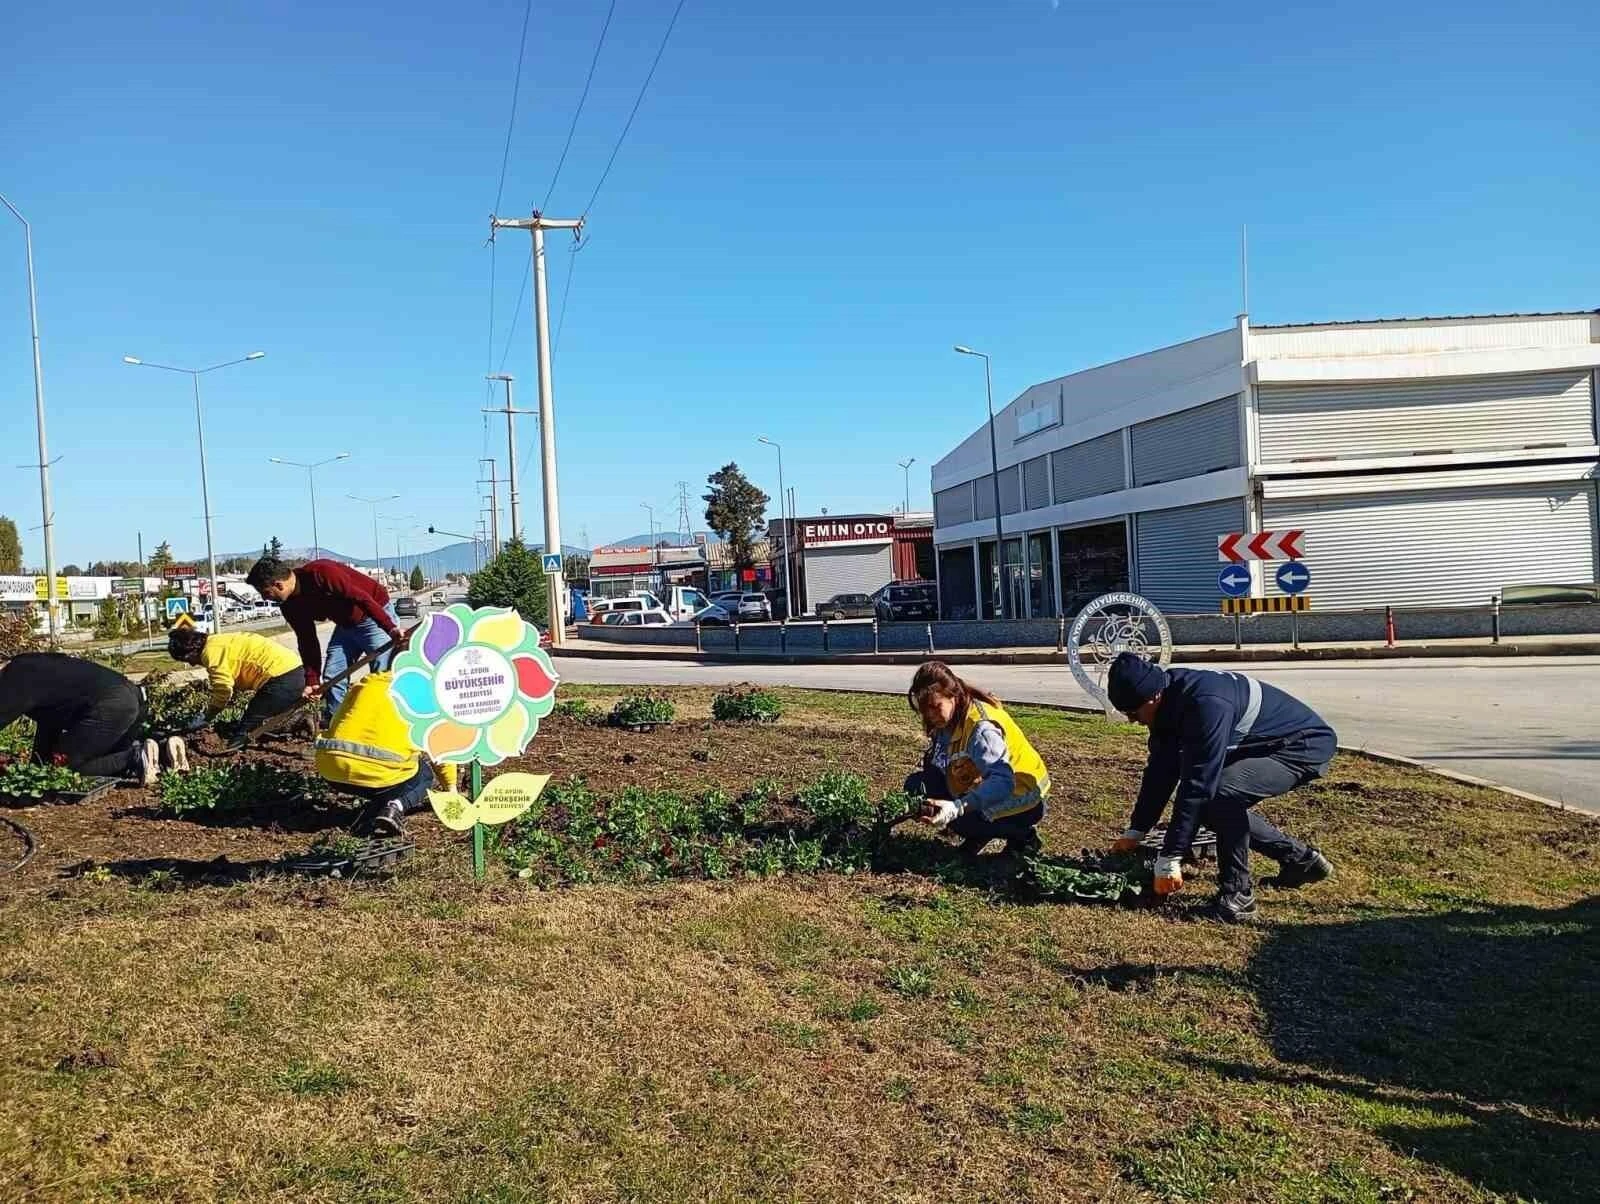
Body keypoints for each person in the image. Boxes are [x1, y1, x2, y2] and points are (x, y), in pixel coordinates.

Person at [1106, 652, 1336, 923]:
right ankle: (1301, 861)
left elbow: (1197, 785)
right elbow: (1161, 771)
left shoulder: (1206, 705)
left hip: (1301, 747)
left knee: (1218, 795)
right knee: (1210, 804)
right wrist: (1137, 830)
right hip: (1267, 744)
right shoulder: (1166, 702)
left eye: (1132, 712)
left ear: (1153, 697)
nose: (1132, 720)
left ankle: (1238, 898)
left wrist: (1170, 858)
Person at [903, 660, 1051, 858]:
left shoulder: (981, 729)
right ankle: (979, 831)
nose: (930, 715)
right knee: (917, 786)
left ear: (952, 696)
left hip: (1023, 796)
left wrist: (956, 808)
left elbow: (1003, 782)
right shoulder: (950, 718)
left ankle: (1023, 836)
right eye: (924, 710)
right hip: (991, 784)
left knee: (963, 821)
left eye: (935, 706)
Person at [246, 556, 404, 718]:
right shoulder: (289, 605)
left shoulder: (321, 573)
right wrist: (312, 681)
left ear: (278, 585)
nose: (265, 599)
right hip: (346, 625)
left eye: (265, 593)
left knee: (381, 672)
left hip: (373, 615)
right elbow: (307, 640)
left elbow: (362, 599)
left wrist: (390, 628)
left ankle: (384, 721)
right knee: (333, 676)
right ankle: (336, 724)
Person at [0, 651, 160, 786]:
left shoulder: (15, 677)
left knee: (61, 769)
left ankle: (136, 757)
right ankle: (160, 755)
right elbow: (49, 723)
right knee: (106, 764)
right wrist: (36, 767)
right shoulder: (31, 665)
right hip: (129, 698)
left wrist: (44, 769)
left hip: (110, 705)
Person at [314, 670, 443, 836]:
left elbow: (338, 720)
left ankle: (373, 809)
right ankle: (395, 807)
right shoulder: (427, 692)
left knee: (385, 771)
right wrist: (451, 789)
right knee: (424, 774)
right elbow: (440, 751)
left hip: (331, 769)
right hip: (380, 777)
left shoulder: (368, 681)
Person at [167, 625, 306, 742]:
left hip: (282, 677)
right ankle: (300, 721)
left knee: (247, 727)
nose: (191, 664)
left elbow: (223, 689)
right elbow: (235, 670)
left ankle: (234, 749)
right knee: (259, 717)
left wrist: (207, 716)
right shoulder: (216, 641)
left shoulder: (210, 653)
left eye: (187, 660)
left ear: (191, 651)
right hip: (293, 669)